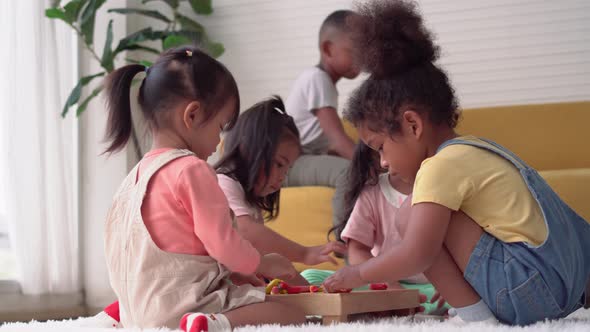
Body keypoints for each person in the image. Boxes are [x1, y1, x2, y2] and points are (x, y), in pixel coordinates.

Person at [323, 0, 590, 326]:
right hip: (570, 284)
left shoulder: (439, 166)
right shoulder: (479, 149)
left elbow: (417, 254)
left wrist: (357, 273)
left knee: (410, 216)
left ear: (412, 125)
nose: (382, 163)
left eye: (380, 148)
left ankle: (478, 320)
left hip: (530, 291)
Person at [100, 46, 305, 331]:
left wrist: (235, 273)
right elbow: (222, 243)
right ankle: (212, 324)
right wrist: (261, 263)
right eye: (220, 127)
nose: (220, 142)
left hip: (139, 313)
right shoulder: (192, 169)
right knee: (293, 315)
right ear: (193, 115)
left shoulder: (133, 177)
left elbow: (181, 251)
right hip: (183, 309)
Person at [215, 96, 346, 285]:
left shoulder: (248, 200)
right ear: (249, 150)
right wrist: (304, 253)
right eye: (279, 164)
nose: (281, 177)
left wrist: (310, 292)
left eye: (287, 170)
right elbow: (248, 233)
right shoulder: (223, 183)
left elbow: (267, 259)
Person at [284, 9, 360, 229]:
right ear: (328, 49)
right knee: (348, 172)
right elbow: (337, 139)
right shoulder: (318, 79)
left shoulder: (320, 82)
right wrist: (372, 166)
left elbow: (327, 144)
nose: (364, 58)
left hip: (300, 158)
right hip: (287, 164)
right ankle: (346, 242)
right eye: (356, 50)